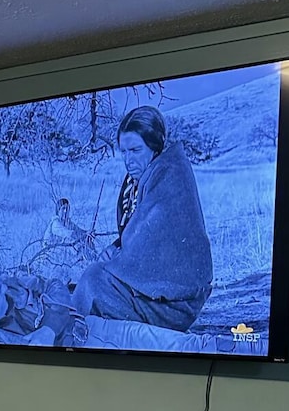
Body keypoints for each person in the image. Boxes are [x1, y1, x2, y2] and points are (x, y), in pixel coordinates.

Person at [71, 106, 213, 331]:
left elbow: (149, 240)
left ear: (154, 146)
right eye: (124, 151)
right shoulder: (138, 179)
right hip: (155, 290)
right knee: (92, 281)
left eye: (136, 150)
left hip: (175, 303)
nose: (128, 160)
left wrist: (114, 261)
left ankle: (74, 335)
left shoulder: (170, 175)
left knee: (93, 280)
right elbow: (137, 234)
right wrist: (116, 248)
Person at [0, 262, 81, 345]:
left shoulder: (13, 286)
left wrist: (48, 329)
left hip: (77, 325)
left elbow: (54, 285)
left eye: (0, 283)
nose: (5, 288)